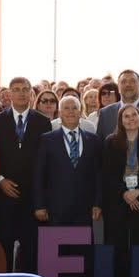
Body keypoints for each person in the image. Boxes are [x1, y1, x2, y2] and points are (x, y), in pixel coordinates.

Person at [0, 77, 51, 272]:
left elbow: (45, 161)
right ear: (9, 93)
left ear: (31, 93)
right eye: (16, 89)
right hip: (4, 194)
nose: (21, 93)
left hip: (31, 197)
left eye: (25, 89)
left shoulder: (43, 122)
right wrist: (0, 180)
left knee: (31, 247)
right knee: (3, 245)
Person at [102, 105, 139, 277]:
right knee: (117, 240)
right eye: (126, 116)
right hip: (118, 198)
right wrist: (125, 193)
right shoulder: (111, 142)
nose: (131, 119)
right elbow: (107, 173)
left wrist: (138, 190)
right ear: (120, 121)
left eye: (134, 115)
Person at [34, 94, 103, 227]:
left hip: (84, 209)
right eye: (66, 108)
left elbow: (98, 174)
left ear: (80, 112)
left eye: (74, 108)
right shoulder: (47, 140)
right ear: (60, 113)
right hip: (55, 209)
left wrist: (98, 203)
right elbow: (39, 174)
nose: (71, 111)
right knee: (56, 241)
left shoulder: (93, 140)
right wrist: (39, 205)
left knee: (81, 241)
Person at [97, 69, 139, 137]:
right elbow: (100, 142)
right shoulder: (105, 114)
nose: (128, 85)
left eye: (132, 81)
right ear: (118, 88)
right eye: (123, 82)